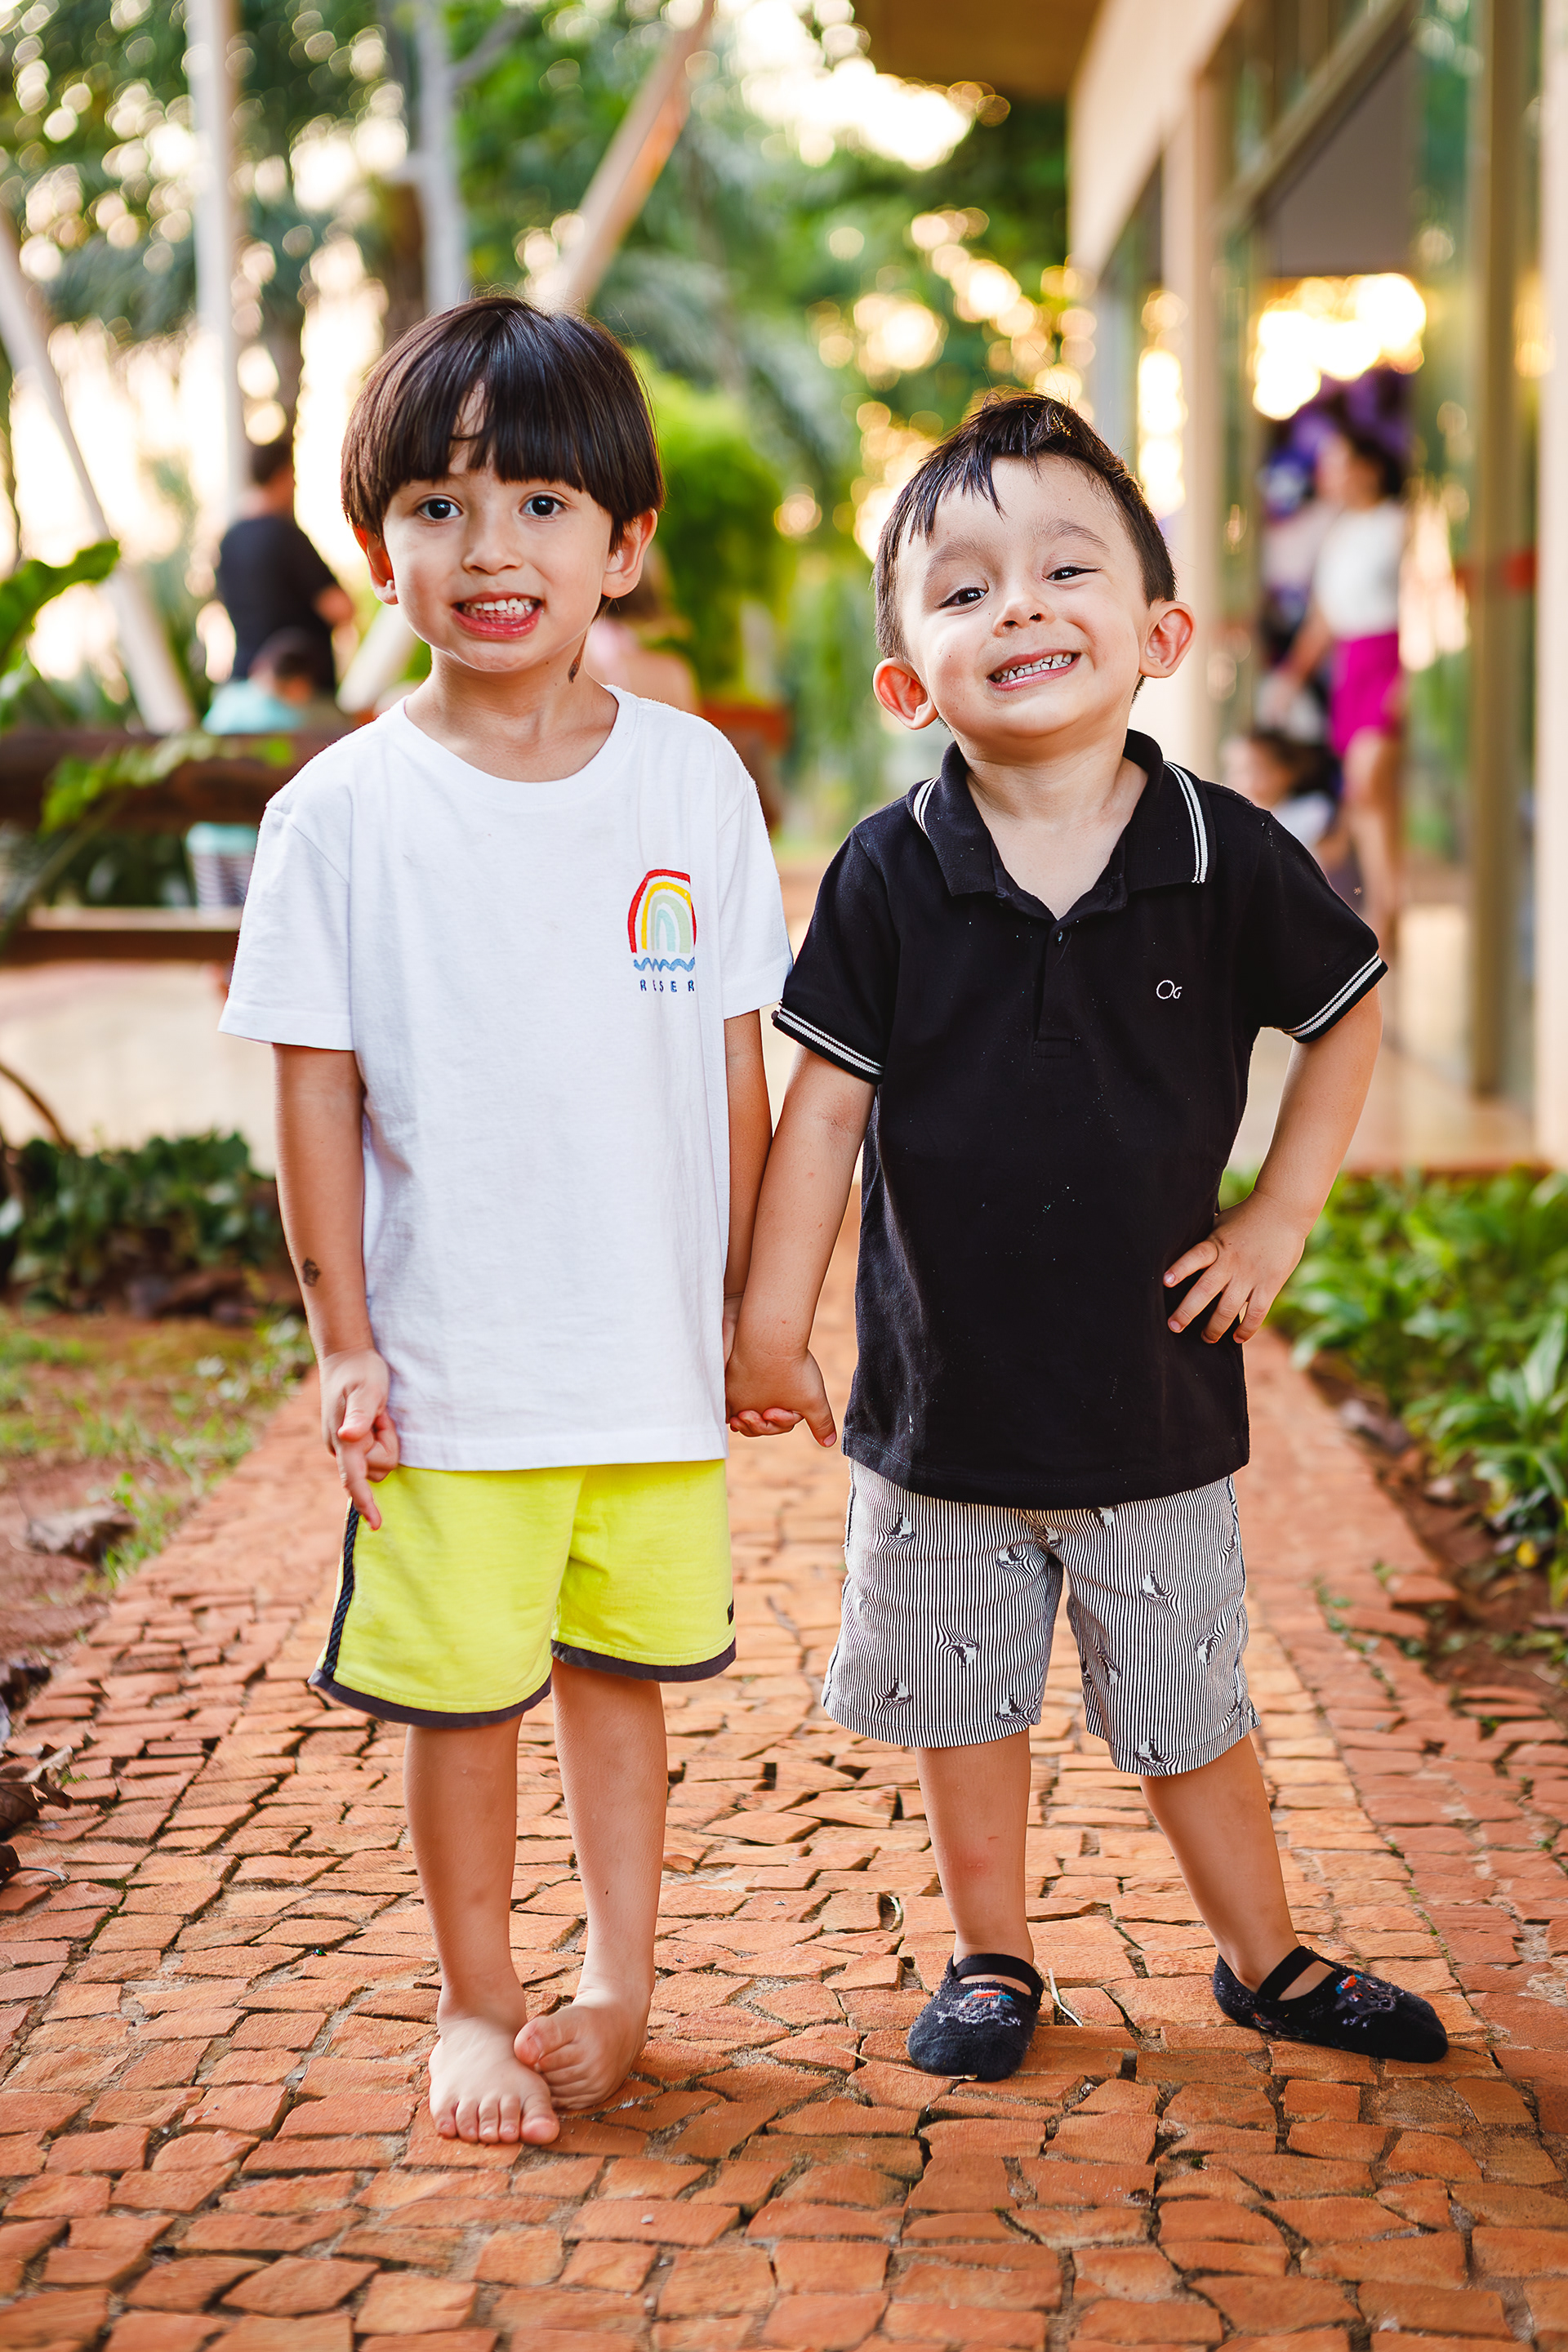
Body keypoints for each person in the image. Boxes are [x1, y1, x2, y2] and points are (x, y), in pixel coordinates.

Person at [726, 393, 1446, 2078]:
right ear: (908, 681)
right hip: (940, 1411)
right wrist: (770, 1324)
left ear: (1159, 634)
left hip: (1154, 1400)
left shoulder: (1225, 856)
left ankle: (1265, 1958)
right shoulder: (890, 874)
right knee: (963, 1704)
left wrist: (1281, 1212)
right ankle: (994, 1957)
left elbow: (1346, 1011)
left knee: (1189, 1702)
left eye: (1066, 569)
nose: (1021, 607)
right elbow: (820, 1117)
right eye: (965, 590)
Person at [218, 297, 791, 2145]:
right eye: (442, 505)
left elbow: (733, 1071)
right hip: (456, 1362)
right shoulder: (339, 816)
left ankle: (617, 1983)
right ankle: (475, 2002)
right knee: (460, 1698)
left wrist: (755, 1306)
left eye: (542, 503)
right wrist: (346, 1344)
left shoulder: (691, 781)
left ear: (624, 544)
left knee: (623, 1680)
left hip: (645, 1360)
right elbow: (315, 1096)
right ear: (375, 545)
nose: (492, 548)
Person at [1261, 424, 1406, 956]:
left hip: (1391, 664)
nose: (1326, 476)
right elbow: (1324, 618)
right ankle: (1389, 909)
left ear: (1367, 468)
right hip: (1352, 670)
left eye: (1337, 464)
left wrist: (1411, 679)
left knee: (1367, 784)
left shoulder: (1402, 525)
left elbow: (1428, 603)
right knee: (1373, 801)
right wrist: (1291, 677)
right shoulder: (1340, 533)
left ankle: (1384, 914)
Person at [189, 630, 345, 911]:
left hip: (207, 837)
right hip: (250, 839)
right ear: (299, 682)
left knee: (215, 919)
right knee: (254, 917)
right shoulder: (287, 718)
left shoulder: (230, 699)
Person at [216, 437, 357, 696]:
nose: (295, 485)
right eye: (293, 476)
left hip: (243, 685)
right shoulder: (287, 537)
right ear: (282, 475)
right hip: (296, 693)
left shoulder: (228, 542)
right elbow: (340, 608)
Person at [1222, 727, 1358, 909]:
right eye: (1235, 771)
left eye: (1251, 770)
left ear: (1283, 773)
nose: (1240, 780)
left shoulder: (1311, 810)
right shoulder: (1244, 826)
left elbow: (1334, 856)